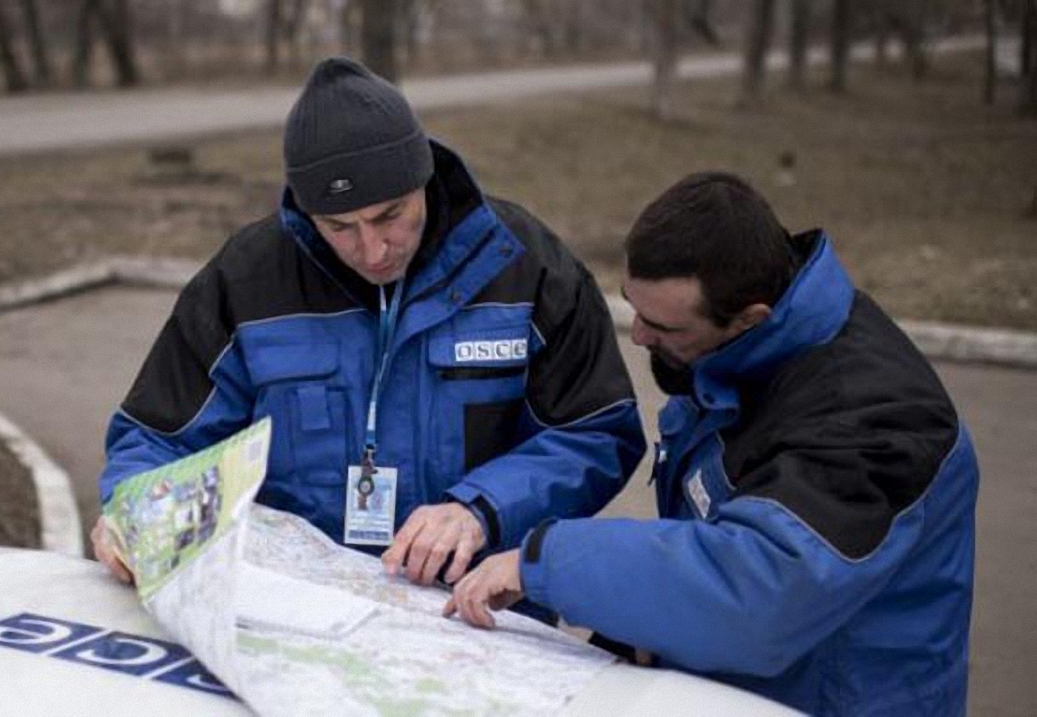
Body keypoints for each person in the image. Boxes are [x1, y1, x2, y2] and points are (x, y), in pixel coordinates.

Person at [92, 57, 645, 601]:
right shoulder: (245, 281)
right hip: (298, 609)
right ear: (306, 214)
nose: (372, 249)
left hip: (474, 614)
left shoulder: (526, 269)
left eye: (389, 216)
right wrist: (133, 512)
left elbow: (597, 432)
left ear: (422, 178)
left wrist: (481, 509)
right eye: (339, 226)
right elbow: (157, 436)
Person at [445, 172, 979, 716]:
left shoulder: (877, 421)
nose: (640, 338)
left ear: (750, 318)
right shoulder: (738, 355)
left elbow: (760, 594)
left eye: (664, 327)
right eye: (633, 306)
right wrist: (638, 622)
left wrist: (547, 562)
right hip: (740, 690)